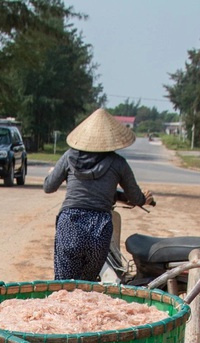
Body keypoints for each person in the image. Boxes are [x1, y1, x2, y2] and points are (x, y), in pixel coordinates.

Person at [43, 108, 154, 281]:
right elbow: (135, 197)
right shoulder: (118, 163)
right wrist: (143, 199)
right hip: (99, 228)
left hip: (70, 224)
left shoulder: (69, 157)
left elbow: (49, 187)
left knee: (63, 288)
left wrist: (54, 174)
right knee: (87, 287)